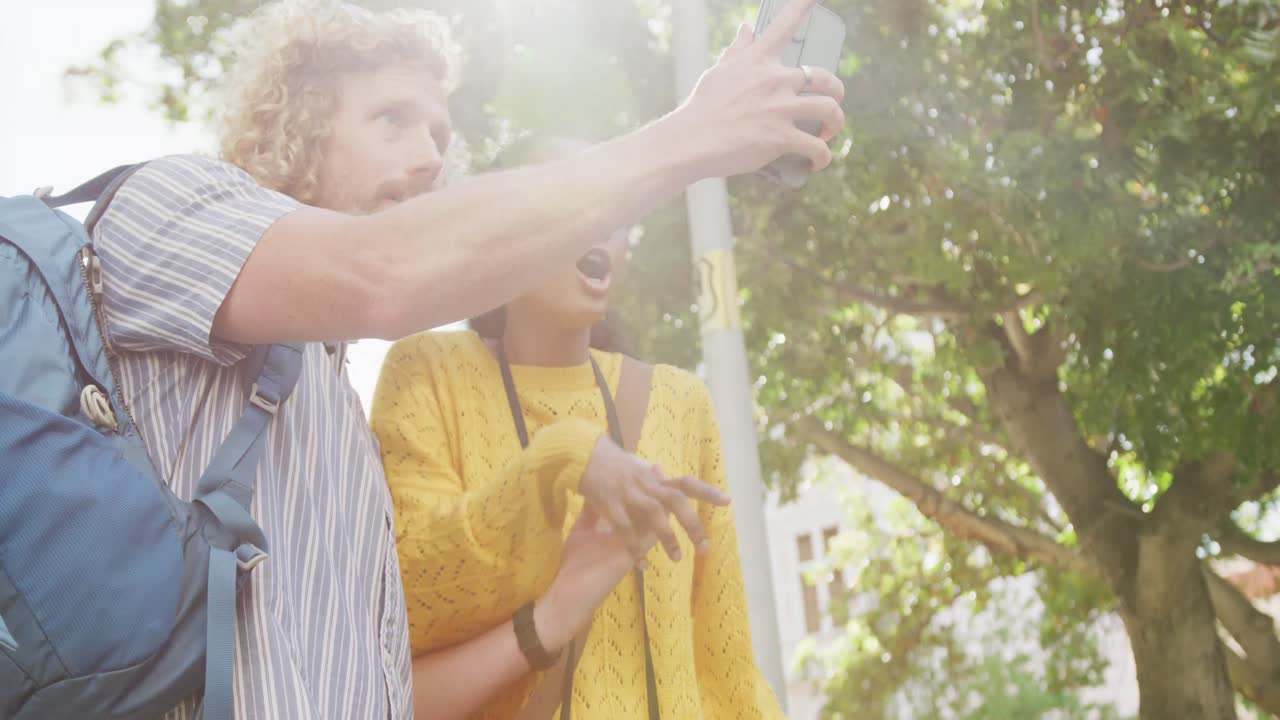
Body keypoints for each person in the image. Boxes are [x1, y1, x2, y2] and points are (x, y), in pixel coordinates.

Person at [89, 0, 844, 715]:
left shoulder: (341, 416)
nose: (428, 159)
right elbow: (385, 274)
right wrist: (692, 137)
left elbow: (397, 694)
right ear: (299, 121)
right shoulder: (174, 203)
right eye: (393, 119)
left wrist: (552, 614)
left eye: (440, 140)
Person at [371, 136, 786, 720]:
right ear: (498, 232)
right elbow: (414, 587)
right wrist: (562, 455)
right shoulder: (428, 372)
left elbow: (725, 666)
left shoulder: (679, 402)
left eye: (613, 209)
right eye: (568, 201)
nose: (599, 225)